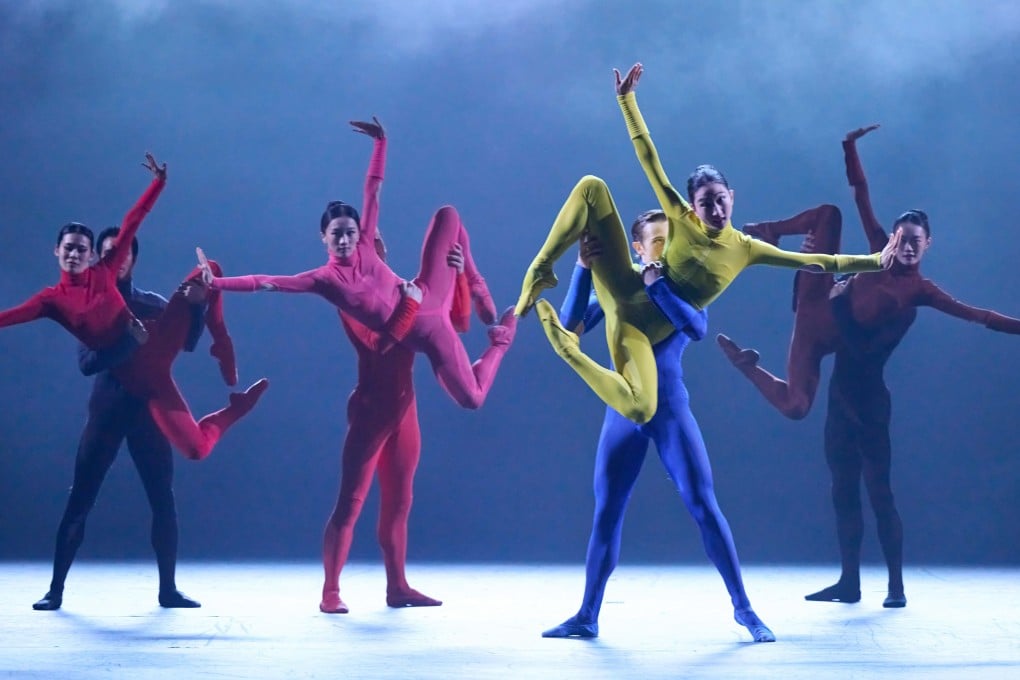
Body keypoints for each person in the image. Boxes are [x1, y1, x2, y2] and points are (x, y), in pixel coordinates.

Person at [716, 124, 1020, 607]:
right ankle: (768, 233)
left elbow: (978, 316)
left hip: (838, 364)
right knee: (830, 214)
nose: (908, 246)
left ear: (928, 244)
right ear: (895, 238)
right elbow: (860, 194)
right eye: (903, 238)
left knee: (822, 435)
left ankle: (892, 586)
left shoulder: (921, 292)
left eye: (917, 240)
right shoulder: (878, 249)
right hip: (814, 298)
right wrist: (849, 146)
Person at [515, 64, 900, 424]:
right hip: (624, 285)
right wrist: (627, 101)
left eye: (720, 199)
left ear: (732, 196)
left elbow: (821, 263)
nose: (716, 208)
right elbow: (649, 157)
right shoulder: (680, 218)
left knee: (641, 408)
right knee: (592, 188)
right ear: (694, 207)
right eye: (706, 203)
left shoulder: (747, 249)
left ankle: (568, 349)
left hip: (640, 329)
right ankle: (543, 267)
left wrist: (875, 261)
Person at [541, 211, 774, 642]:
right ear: (638, 248)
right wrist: (582, 269)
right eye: (658, 241)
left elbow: (697, 326)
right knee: (607, 511)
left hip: (669, 409)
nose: (667, 249)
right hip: (623, 415)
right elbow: (571, 327)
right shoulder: (622, 290)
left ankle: (745, 609)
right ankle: (587, 614)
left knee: (703, 504)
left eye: (672, 239)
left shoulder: (683, 287)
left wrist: (658, 285)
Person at [197, 118, 515, 411]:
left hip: (430, 290)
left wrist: (380, 143)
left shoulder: (365, 243)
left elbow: (373, 191)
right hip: (428, 332)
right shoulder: (324, 280)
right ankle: (501, 341)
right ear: (324, 237)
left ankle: (475, 282)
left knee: (448, 215)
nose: (346, 240)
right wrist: (216, 282)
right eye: (337, 234)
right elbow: (266, 282)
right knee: (473, 397)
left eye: (350, 232)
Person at [0, 153, 269, 462]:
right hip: (146, 378)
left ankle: (222, 343)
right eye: (69, 247)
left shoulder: (105, 272)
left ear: (91, 256)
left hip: (162, 338)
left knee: (211, 269)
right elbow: (7, 318)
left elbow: (133, 220)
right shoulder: (49, 301)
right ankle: (237, 408)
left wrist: (158, 183)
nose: (74, 253)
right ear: (57, 251)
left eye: (81, 249)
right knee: (197, 450)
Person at [33, 228, 208, 611]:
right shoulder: (91, 304)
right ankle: (55, 591)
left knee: (163, 500)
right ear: (98, 258)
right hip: (108, 412)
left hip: (148, 413)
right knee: (80, 500)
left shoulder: (154, 304)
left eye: (125, 251)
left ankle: (168, 590)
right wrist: (129, 340)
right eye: (111, 252)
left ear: (134, 258)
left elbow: (190, 342)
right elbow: (87, 364)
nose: (119, 257)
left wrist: (199, 306)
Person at [320, 237, 475, 614]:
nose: (373, 253)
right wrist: (410, 304)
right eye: (364, 249)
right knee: (351, 502)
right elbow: (380, 343)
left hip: (404, 410)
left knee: (399, 502)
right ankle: (330, 592)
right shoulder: (351, 299)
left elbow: (455, 324)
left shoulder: (401, 291)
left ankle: (398, 586)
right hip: (372, 411)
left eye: (375, 246)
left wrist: (458, 278)